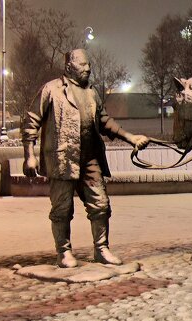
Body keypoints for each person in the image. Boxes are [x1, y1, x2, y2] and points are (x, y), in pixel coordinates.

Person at [22, 48, 150, 268]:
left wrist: (130, 137)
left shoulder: (91, 93)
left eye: (89, 65)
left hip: (90, 158)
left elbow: (104, 122)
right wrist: (29, 156)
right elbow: (31, 121)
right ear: (69, 66)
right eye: (83, 65)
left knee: (101, 204)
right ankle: (63, 252)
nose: (88, 68)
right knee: (62, 209)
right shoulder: (51, 90)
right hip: (63, 159)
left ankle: (101, 249)